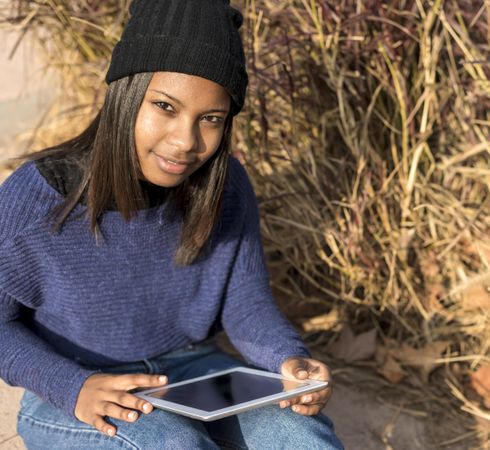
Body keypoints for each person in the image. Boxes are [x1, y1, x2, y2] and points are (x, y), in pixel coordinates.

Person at [0, 0, 343, 448]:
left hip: (192, 369)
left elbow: (245, 303)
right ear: (124, 95)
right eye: (165, 106)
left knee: (300, 434)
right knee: (175, 444)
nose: (185, 141)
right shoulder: (38, 197)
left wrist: (288, 359)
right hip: (75, 385)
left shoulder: (225, 187)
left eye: (211, 119)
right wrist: (72, 386)